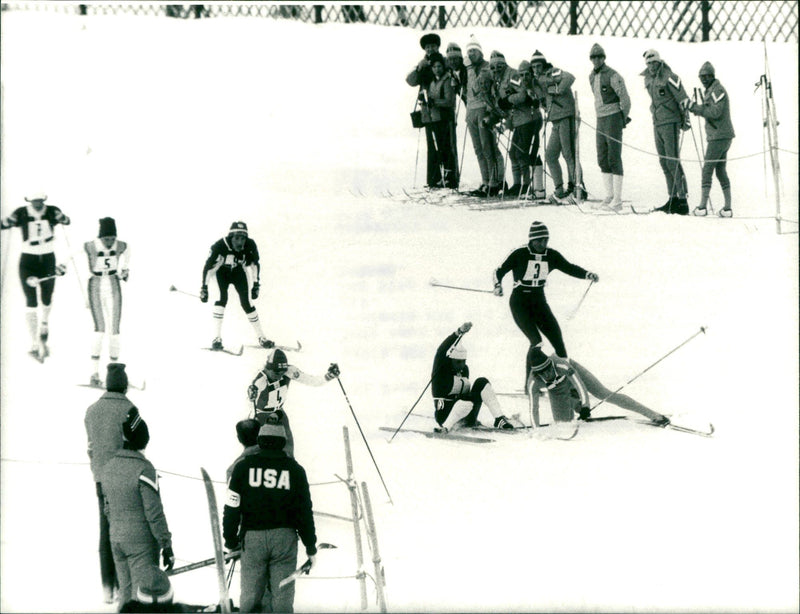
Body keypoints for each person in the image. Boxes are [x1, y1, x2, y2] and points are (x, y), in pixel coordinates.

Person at [223, 418, 318, 614]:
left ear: (261, 439)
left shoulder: (242, 468)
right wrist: (310, 545)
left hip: (253, 539)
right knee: (282, 594)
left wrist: (231, 540)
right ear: (283, 441)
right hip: (285, 540)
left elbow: (232, 506)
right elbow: (304, 512)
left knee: (250, 595)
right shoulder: (296, 470)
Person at [493, 221, 599, 383]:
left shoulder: (551, 255)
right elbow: (498, 271)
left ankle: (566, 381)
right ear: (531, 240)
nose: (543, 244)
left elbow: (569, 267)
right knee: (536, 342)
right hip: (520, 302)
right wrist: (497, 285)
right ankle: (530, 383)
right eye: (539, 240)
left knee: (558, 341)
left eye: (546, 240)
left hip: (539, 301)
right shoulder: (519, 253)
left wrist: (587, 274)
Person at [100, 412, 175, 607]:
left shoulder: (108, 467)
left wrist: (118, 528)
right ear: (144, 441)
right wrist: (166, 544)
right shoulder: (144, 469)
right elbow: (154, 513)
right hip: (141, 543)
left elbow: (106, 508)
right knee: (142, 600)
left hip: (116, 538)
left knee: (125, 595)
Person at [85, 362, 139, 604]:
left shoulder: (92, 410)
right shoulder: (129, 408)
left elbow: (90, 447)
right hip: (125, 478)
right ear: (124, 385)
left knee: (105, 530)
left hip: (100, 479)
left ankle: (107, 587)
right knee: (126, 530)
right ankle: (124, 584)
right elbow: (138, 441)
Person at [0, 192, 70, 360]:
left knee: (47, 296)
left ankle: (44, 323)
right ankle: (34, 342)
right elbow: (3, 225)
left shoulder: (52, 211)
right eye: (34, 201)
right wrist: (7, 222)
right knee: (30, 300)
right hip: (28, 260)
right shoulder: (22, 212)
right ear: (29, 201)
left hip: (47, 258)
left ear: (44, 200)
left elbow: (67, 221)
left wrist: (62, 217)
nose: (37, 203)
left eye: (39, 200)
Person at [527, 347, 670, 426]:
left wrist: (585, 406)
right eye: (541, 373)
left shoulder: (561, 364)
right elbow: (534, 407)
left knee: (604, 394)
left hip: (573, 375)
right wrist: (536, 431)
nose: (546, 374)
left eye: (548, 369)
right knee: (563, 424)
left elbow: (580, 385)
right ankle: (573, 403)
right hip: (556, 388)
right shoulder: (534, 381)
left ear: (551, 364)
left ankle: (653, 414)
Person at [248, 348, 340, 457]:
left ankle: (290, 467)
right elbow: (251, 403)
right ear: (268, 369)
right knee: (255, 449)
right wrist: (251, 397)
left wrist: (329, 376)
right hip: (261, 414)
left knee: (288, 447)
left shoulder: (290, 371)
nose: (280, 376)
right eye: (277, 372)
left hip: (279, 412)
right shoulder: (261, 380)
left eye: (282, 372)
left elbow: (311, 381)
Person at [200, 221, 272, 351]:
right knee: (222, 299)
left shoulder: (250, 244)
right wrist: (204, 288)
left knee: (247, 302)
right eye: (237, 238)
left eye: (243, 238)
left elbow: (255, 264)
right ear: (230, 237)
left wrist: (256, 284)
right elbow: (208, 268)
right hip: (221, 272)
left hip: (239, 271)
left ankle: (262, 337)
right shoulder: (219, 246)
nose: (240, 242)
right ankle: (216, 338)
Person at [432, 322, 515, 432]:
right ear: (451, 360)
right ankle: (445, 428)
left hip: (466, 413)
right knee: (464, 402)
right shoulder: (441, 371)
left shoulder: (464, 370)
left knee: (482, 382)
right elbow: (441, 351)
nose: (461, 365)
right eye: (458, 362)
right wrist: (459, 332)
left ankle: (499, 419)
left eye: (463, 362)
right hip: (445, 416)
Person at [641, 49, 691, 215]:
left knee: (673, 160)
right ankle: (672, 197)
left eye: (653, 63)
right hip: (657, 122)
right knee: (664, 161)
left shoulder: (670, 77)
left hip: (671, 122)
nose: (651, 66)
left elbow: (682, 98)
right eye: (648, 63)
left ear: (659, 62)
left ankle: (682, 199)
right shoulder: (649, 78)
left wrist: (686, 119)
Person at [85, 217, 130, 386]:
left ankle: (114, 374)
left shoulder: (120, 245)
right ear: (101, 237)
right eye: (106, 239)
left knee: (115, 331)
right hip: (96, 285)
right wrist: (62, 266)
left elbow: (128, 252)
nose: (110, 242)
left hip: (113, 284)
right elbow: (71, 253)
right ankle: (94, 373)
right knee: (100, 330)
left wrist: (125, 269)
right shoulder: (92, 245)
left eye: (112, 238)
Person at [688, 61, 735, 218]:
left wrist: (695, 108)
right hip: (722, 135)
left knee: (707, 170)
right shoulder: (712, 90)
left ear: (712, 76)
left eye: (707, 76)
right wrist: (699, 108)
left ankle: (702, 207)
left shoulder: (717, 90)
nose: (704, 79)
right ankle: (727, 208)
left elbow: (715, 112)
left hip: (718, 136)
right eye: (701, 77)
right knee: (720, 171)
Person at [588, 43, 632, 211]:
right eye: (593, 57)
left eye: (599, 57)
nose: (596, 60)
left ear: (604, 58)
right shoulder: (591, 76)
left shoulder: (613, 75)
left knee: (614, 156)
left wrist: (622, 117)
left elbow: (625, 98)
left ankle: (618, 199)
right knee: (602, 156)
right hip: (600, 118)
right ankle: (609, 195)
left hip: (613, 117)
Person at [530, 50, 577, 202]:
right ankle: (559, 188)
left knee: (568, 153)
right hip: (555, 120)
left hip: (565, 117)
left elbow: (569, 77)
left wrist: (556, 89)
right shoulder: (537, 81)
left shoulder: (551, 73)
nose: (536, 69)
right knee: (550, 155)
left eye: (538, 66)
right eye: (534, 67)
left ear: (543, 65)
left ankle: (576, 186)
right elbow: (543, 97)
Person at [463, 36, 504, 197]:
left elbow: (482, 88)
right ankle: (486, 180)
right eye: (469, 51)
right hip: (471, 110)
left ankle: (495, 181)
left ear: (480, 52)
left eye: (474, 50)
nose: (471, 54)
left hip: (483, 109)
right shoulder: (469, 68)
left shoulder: (487, 68)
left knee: (488, 147)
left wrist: (469, 69)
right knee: (478, 148)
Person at [500, 59, 544, 198]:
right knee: (513, 153)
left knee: (523, 153)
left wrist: (511, 98)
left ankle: (527, 184)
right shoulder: (519, 84)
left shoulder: (533, 85)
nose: (524, 77)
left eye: (527, 74)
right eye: (522, 75)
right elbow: (516, 97)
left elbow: (525, 97)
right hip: (519, 122)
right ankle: (518, 183)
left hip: (531, 121)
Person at [406, 32, 443, 189]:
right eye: (427, 47)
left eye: (433, 46)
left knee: (443, 143)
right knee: (431, 144)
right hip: (427, 109)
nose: (430, 49)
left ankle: (448, 177)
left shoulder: (442, 61)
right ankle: (433, 179)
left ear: (437, 47)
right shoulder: (424, 63)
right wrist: (418, 67)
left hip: (440, 107)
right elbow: (410, 81)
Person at [426, 53, 459, 188]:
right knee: (441, 148)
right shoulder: (433, 81)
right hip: (436, 118)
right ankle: (444, 177)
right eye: (434, 67)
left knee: (448, 148)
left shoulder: (446, 80)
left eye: (439, 66)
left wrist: (435, 102)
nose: (437, 69)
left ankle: (452, 178)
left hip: (446, 118)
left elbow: (449, 101)